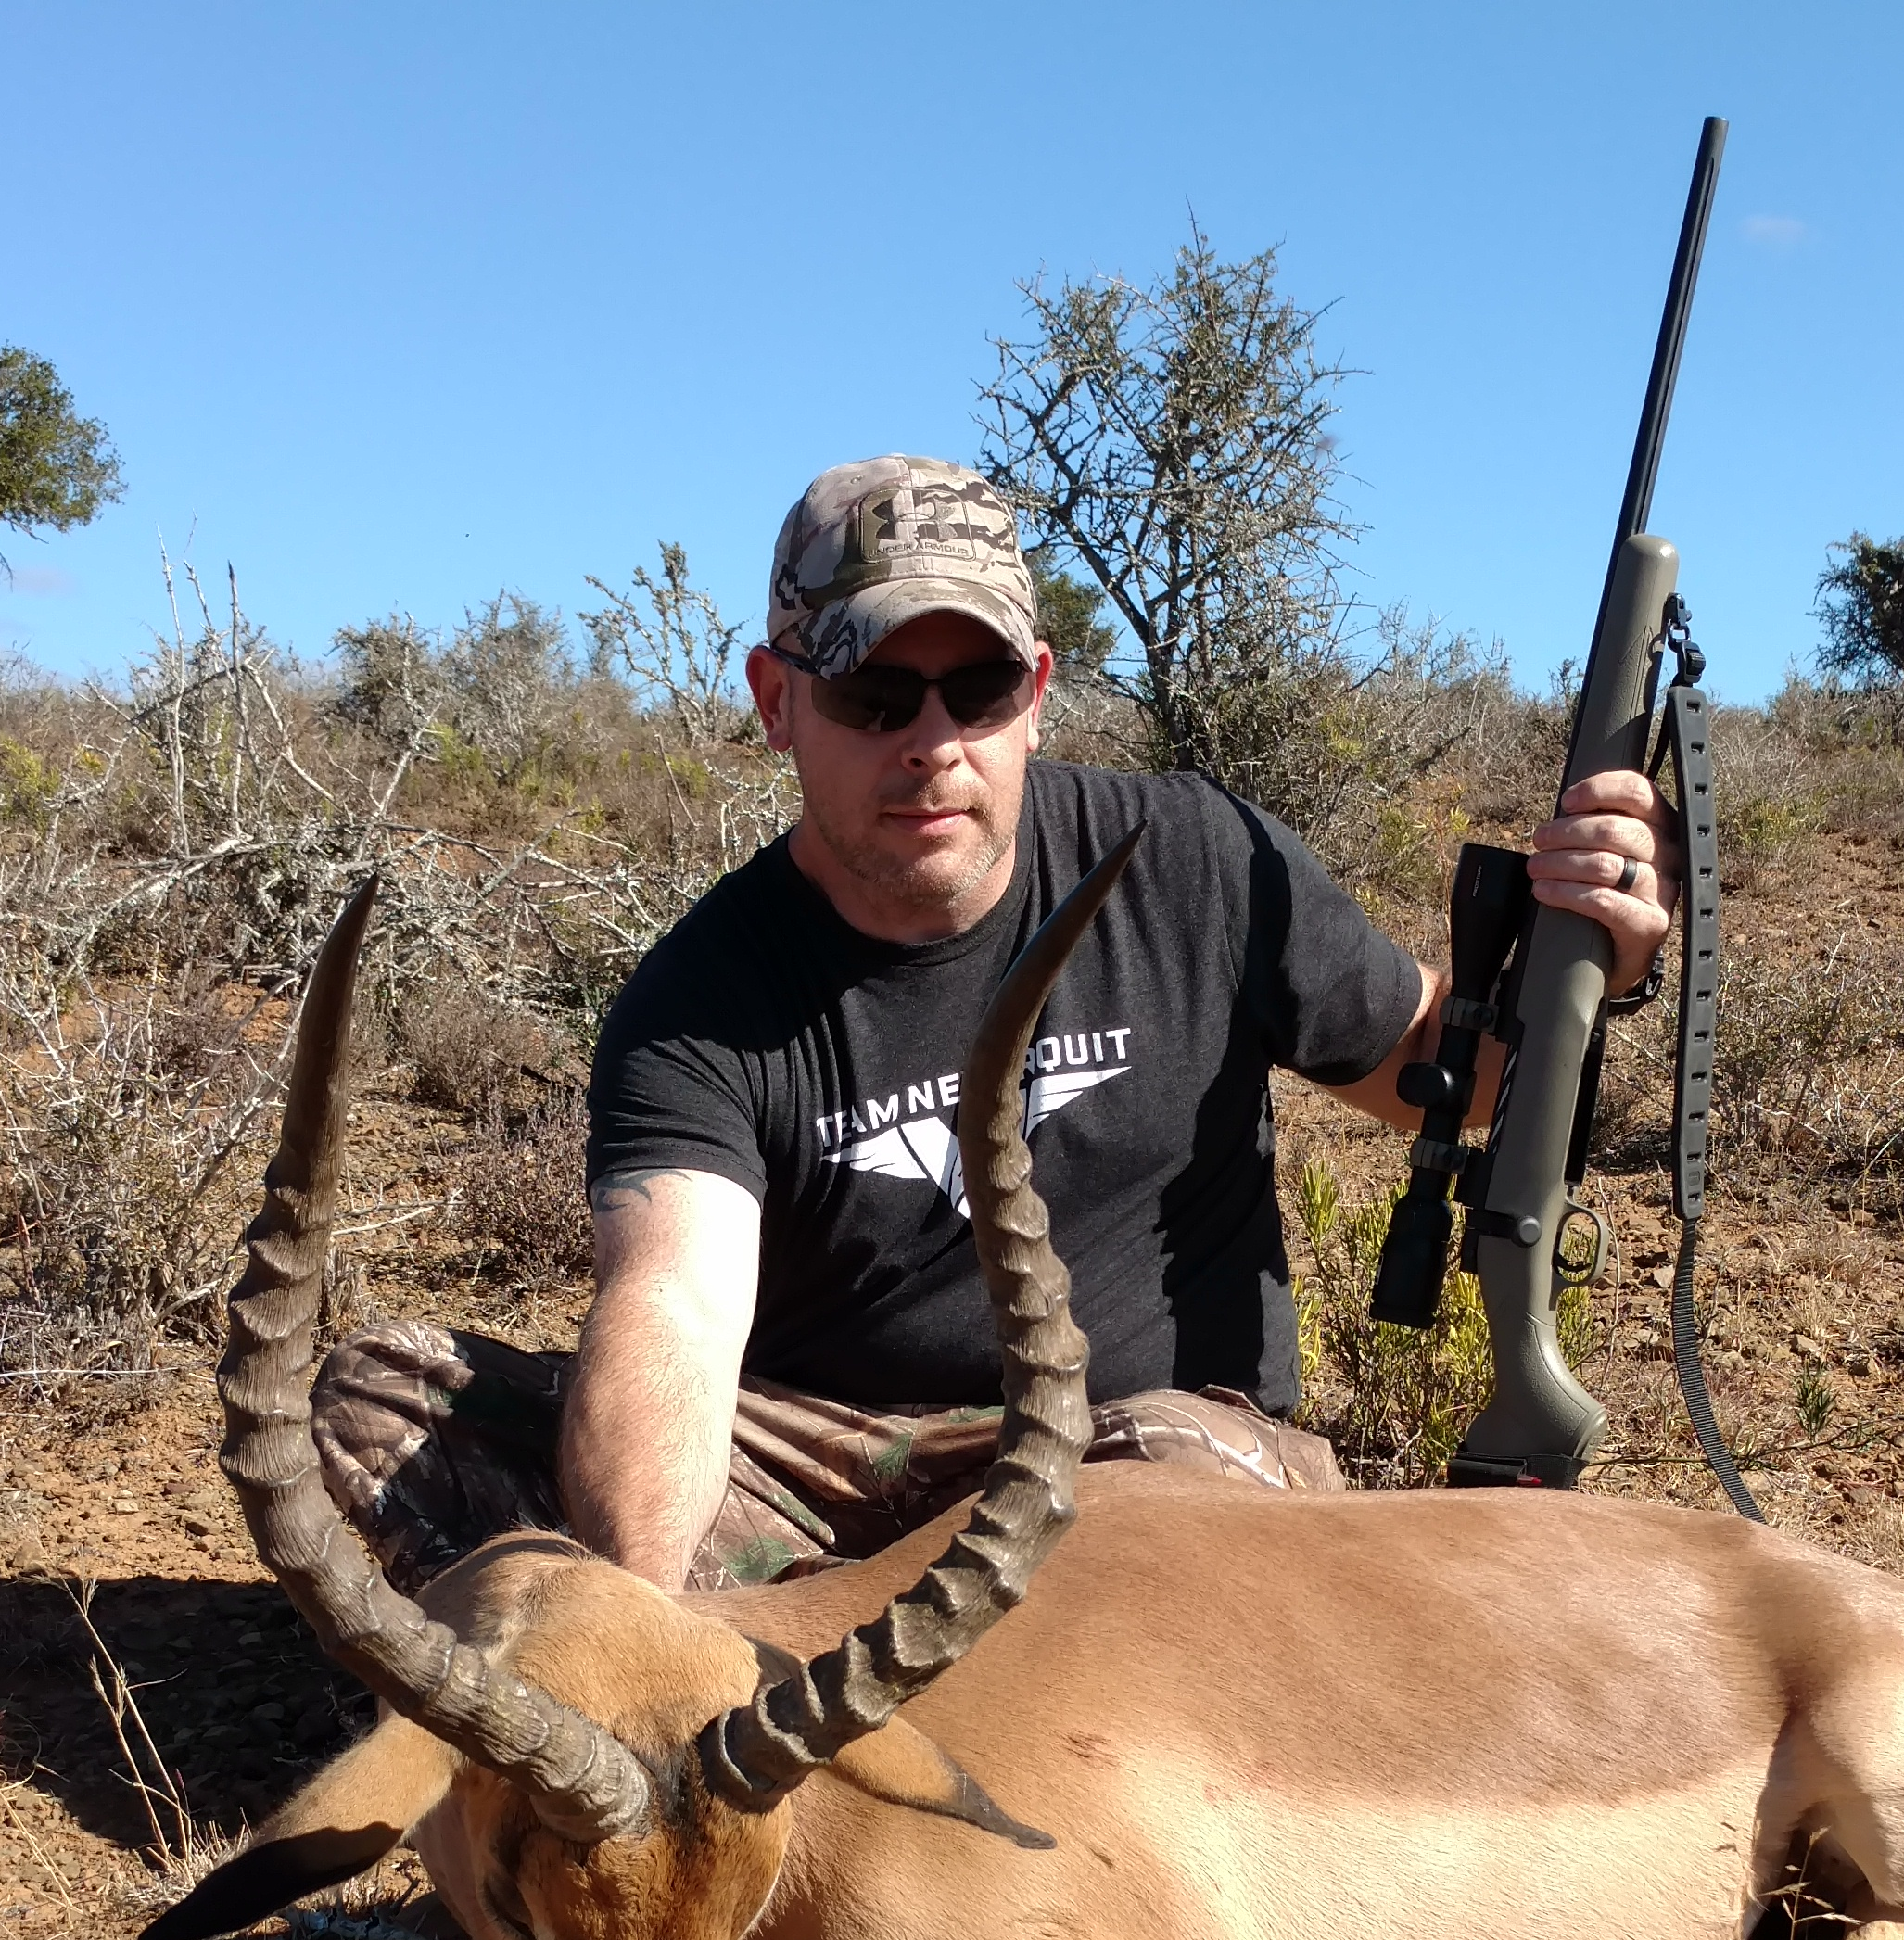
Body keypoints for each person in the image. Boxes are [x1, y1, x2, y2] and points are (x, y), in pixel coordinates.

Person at [311, 455, 1674, 1589]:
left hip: (1141, 1459)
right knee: (386, 1404)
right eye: (872, 691)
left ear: (1038, 688)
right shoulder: (700, 1000)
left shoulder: (1195, 858)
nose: (934, 739)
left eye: (980, 689)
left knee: (1171, 1527)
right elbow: (672, 1302)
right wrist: (646, 1624)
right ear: (778, 699)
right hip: (829, 1474)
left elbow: (1448, 1081)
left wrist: (1587, 963)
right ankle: (751, 1688)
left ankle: (873, 1696)